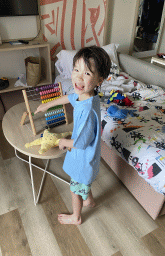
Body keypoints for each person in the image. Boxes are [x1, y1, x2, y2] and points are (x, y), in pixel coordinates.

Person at [34, 45, 111, 225]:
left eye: (87, 73)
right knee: (83, 183)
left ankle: (76, 217)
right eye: (76, 69)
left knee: (74, 189)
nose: (78, 77)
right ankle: (89, 200)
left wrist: (62, 141)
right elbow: (69, 98)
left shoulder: (87, 110)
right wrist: (47, 105)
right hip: (87, 158)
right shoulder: (86, 95)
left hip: (83, 157)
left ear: (99, 80)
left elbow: (81, 143)